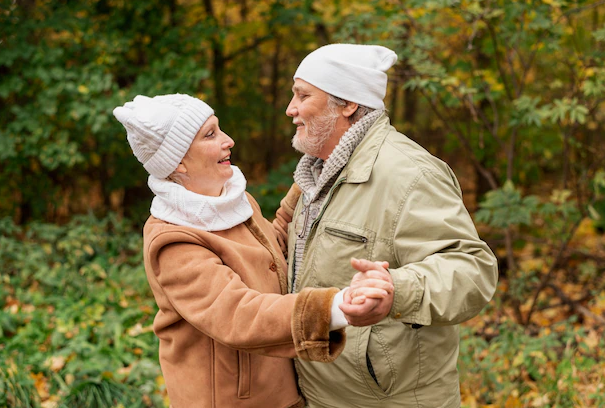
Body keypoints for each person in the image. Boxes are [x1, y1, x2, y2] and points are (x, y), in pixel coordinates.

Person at [112, 94, 393, 408]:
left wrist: (309, 185)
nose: (228, 140)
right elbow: (238, 314)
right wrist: (335, 307)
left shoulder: (231, 199)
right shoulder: (173, 240)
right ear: (177, 160)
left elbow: (266, 253)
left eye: (219, 129)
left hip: (277, 387)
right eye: (210, 135)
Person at [283, 43, 499, 408]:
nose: (291, 109)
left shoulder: (410, 174)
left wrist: (396, 291)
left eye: (303, 95)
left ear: (348, 104)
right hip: (321, 394)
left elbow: (472, 270)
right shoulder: (316, 174)